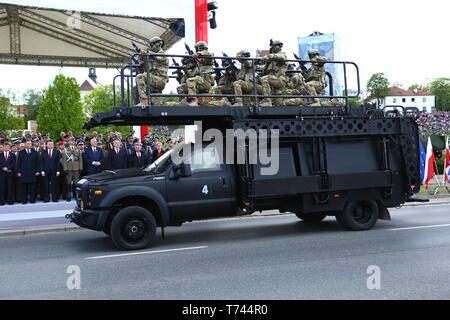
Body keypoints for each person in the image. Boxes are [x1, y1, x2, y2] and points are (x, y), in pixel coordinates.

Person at [135, 36, 170, 106]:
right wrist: (141, 57)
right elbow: (143, 66)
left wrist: (147, 52)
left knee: (140, 77)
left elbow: (157, 57)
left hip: (160, 80)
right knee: (135, 88)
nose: (152, 47)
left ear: (158, 44)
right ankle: (139, 103)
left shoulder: (162, 54)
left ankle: (144, 101)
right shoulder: (151, 57)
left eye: (152, 44)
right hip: (153, 80)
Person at [259, 40, 288, 107]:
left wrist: (268, 56)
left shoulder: (282, 54)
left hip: (280, 80)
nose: (273, 48)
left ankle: (267, 101)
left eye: (274, 46)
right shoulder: (273, 61)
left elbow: (280, 57)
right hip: (275, 83)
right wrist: (267, 63)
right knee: (278, 104)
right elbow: (264, 71)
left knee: (264, 79)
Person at [62, 137, 83, 201]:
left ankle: (76, 195)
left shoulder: (77, 149)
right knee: (68, 183)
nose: (72, 142)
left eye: (73, 141)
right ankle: (68, 196)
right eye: (71, 141)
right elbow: (64, 160)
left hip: (76, 168)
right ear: (68, 142)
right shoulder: (65, 150)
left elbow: (80, 159)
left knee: (76, 183)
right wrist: (65, 169)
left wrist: (81, 168)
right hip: (69, 168)